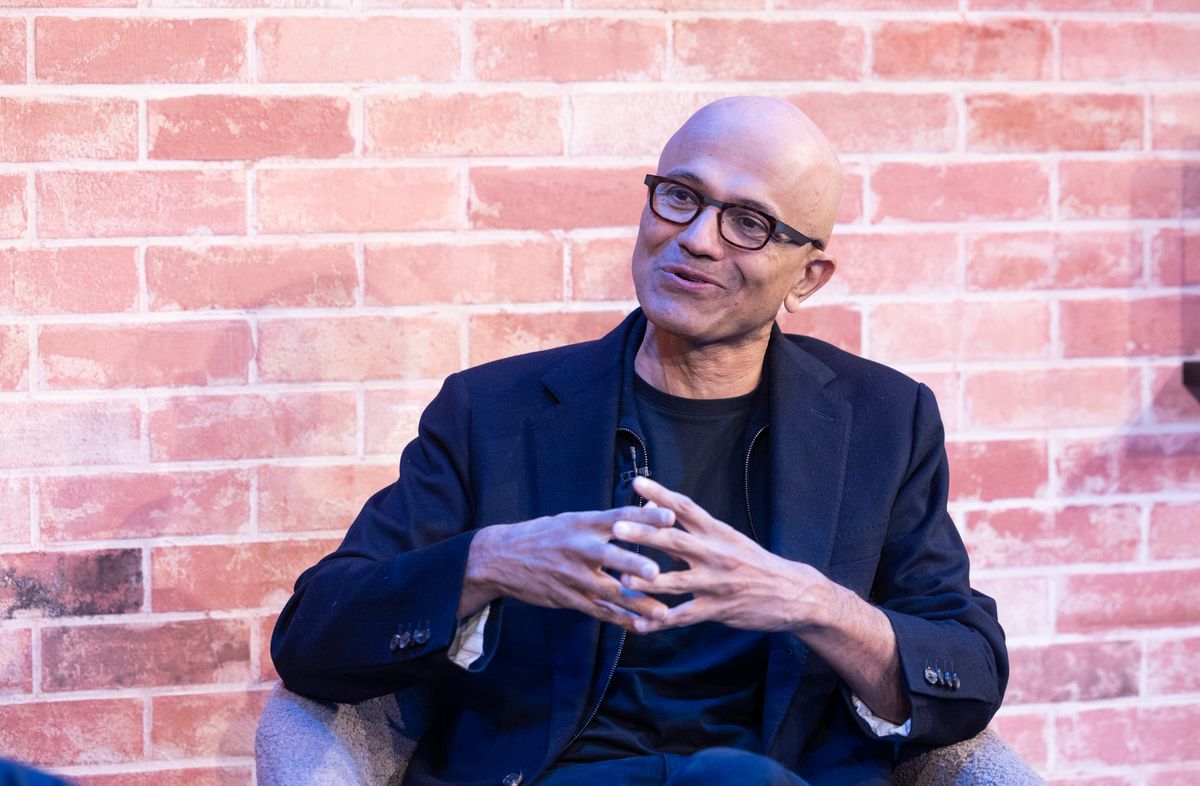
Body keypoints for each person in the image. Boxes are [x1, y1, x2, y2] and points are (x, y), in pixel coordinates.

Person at [271, 96, 1008, 786]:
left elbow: (967, 670)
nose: (694, 239)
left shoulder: (883, 419)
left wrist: (809, 601)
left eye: (748, 222)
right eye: (681, 196)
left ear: (808, 275)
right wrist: (489, 561)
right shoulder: (495, 412)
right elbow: (313, 639)